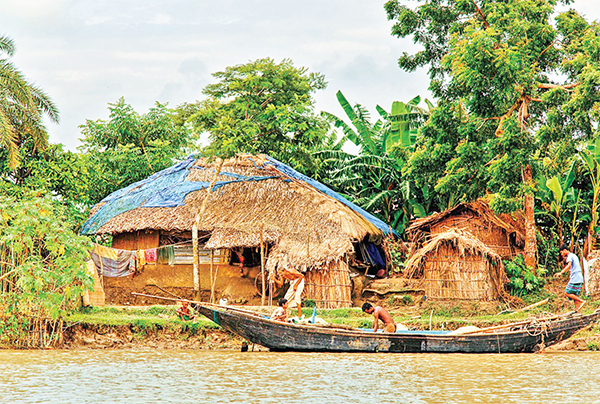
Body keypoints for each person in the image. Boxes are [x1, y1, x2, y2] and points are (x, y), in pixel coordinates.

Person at [554, 245, 586, 312]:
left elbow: (569, 265)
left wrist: (561, 272)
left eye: (561, 252)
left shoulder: (570, 256)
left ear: (564, 250)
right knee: (574, 295)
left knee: (567, 292)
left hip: (575, 278)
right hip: (579, 278)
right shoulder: (574, 255)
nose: (561, 254)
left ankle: (582, 301)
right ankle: (578, 311)